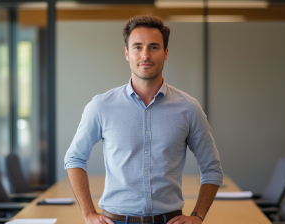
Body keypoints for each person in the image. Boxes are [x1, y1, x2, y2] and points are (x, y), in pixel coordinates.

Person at [64, 15, 223, 224]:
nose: (145, 55)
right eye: (137, 47)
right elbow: (75, 158)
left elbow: (212, 169)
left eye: (154, 47)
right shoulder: (101, 106)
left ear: (166, 53)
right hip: (116, 220)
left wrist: (198, 215)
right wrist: (88, 213)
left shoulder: (189, 108)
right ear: (127, 53)